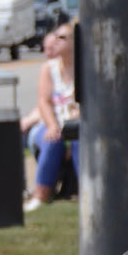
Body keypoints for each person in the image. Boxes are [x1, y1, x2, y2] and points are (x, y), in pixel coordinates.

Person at [19, 21, 78, 212]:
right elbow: (43, 102)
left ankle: (87, 192)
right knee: (53, 141)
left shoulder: (84, 68)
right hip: (51, 125)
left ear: (75, 41)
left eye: (62, 37)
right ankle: (40, 195)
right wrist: (53, 125)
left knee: (79, 141)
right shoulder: (49, 69)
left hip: (75, 126)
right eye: (56, 36)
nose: (56, 41)